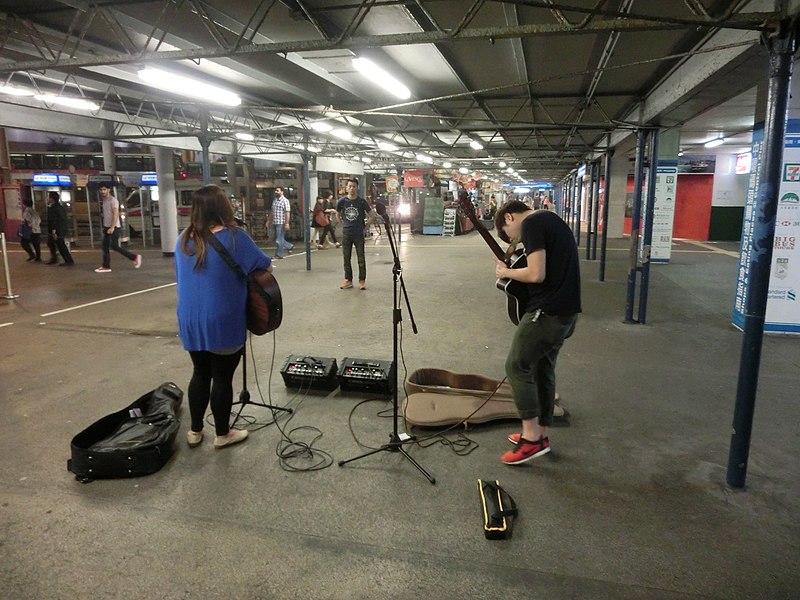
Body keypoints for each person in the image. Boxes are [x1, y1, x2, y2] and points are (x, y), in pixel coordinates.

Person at [175, 184, 273, 449]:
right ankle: (222, 433)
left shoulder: (183, 238)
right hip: (222, 319)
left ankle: (195, 431)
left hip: (190, 320)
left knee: (200, 373)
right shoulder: (235, 237)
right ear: (223, 207)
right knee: (221, 377)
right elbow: (265, 265)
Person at [493, 200, 581, 465]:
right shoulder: (549, 219)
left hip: (547, 311)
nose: (515, 240)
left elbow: (536, 273)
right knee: (542, 367)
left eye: (510, 235)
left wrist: (505, 271)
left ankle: (530, 439)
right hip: (566, 311)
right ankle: (540, 434)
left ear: (509, 217)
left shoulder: (531, 223)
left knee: (516, 365)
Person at [95, 185, 141, 273]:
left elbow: (115, 214)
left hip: (114, 227)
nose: (102, 191)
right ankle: (106, 266)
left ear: (108, 190)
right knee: (105, 247)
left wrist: (112, 227)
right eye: (101, 189)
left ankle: (134, 257)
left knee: (114, 246)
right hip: (107, 227)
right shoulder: (104, 200)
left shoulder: (113, 201)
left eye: (104, 189)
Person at [337, 178, 371, 290]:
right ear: (346, 188)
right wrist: (342, 223)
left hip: (358, 234)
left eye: (354, 186)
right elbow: (337, 213)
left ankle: (362, 280)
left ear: (357, 188)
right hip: (347, 234)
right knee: (346, 258)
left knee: (361, 258)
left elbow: (373, 215)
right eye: (350, 186)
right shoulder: (342, 202)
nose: (352, 188)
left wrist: (365, 228)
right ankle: (348, 280)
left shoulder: (361, 202)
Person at [45, 191, 75, 266]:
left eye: (49, 197)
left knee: (61, 245)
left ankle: (68, 260)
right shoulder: (58, 207)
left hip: (57, 230)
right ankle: (55, 258)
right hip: (59, 230)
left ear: (52, 199)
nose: (48, 198)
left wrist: (54, 231)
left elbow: (55, 220)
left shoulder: (54, 208)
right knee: (52, 243)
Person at [269, 186, 293, 259]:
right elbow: (272, 211)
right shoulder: (275, 200)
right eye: (275, 190)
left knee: (279, 239)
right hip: (274, 222)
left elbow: (287, 212)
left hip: (281, 222)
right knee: (274, 237)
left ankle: (279, 254)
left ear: (282, 192)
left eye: (277, 190)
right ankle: (289, 246)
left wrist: (287, 223)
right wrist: (268, 221)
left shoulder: (285, 201)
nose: (276, 192)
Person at [19, 197, 42, 262]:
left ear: (24, 204)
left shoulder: (27, 211)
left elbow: (26, 221)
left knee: (24, 243)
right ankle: (38, 257)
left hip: (30, 230)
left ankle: (32, 255)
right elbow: (39, 220)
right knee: (36, 244)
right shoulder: (34, 211)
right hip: (37, 229)